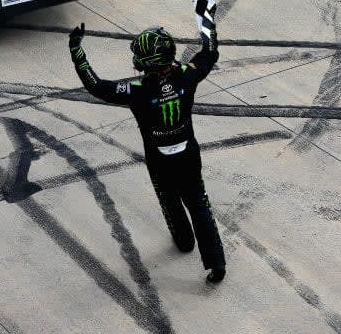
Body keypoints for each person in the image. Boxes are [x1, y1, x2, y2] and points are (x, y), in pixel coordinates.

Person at [68, 22, 226, 284]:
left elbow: (96, 86)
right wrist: (208, 23)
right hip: (188, 156)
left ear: (146, 63)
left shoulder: (136, 92)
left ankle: (184, 242)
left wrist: (77, 52)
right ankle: (216, 265)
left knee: (168, 199)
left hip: (159, 161)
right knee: (200, 205)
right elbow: (209, 53)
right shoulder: (188, 75)